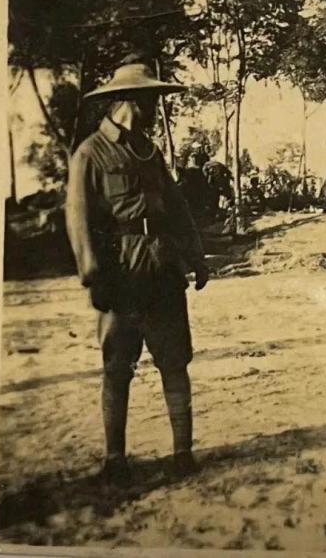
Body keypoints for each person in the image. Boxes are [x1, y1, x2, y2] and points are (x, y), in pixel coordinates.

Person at [66, 63, 210, 486]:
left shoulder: (151, 151)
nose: (155, 106)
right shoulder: (90, 152)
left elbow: (177, 208)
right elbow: (78, 218)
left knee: (175, 361)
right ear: (129, 101)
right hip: (121, 275)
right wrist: (93, 275)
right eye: (150, 98)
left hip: (163, 271)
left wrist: (196, 257)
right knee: (117, 366)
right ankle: (115, 459)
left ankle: (182, 453)